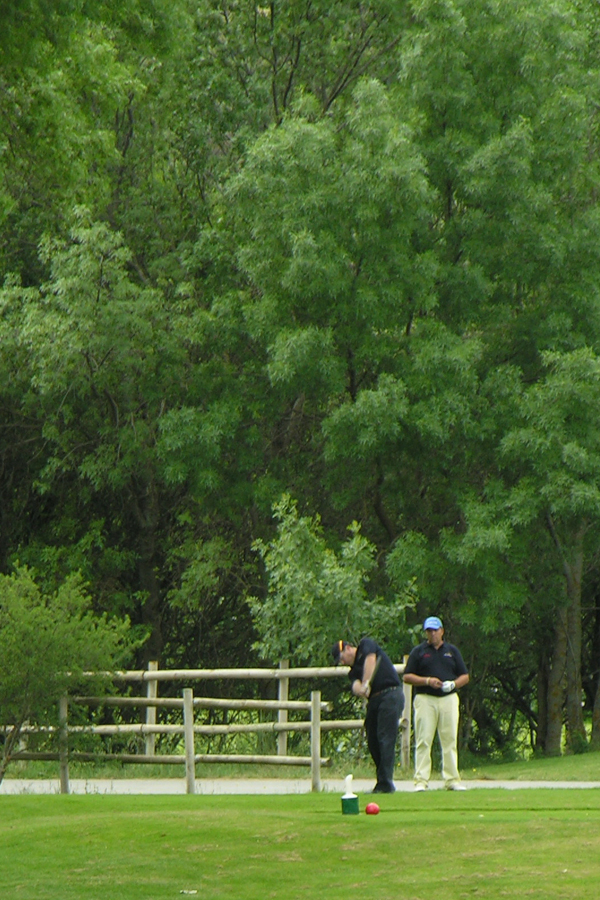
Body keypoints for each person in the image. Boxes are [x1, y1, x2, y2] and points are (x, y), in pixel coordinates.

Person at [403, 616, 469, 792]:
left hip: (448, 698)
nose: (432, 634)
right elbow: (407, 676)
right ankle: (421, 781)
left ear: (442, 631)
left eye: (435, 630)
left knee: (449, 740)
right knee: (424, 740)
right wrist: (427, 681)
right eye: (429, 631)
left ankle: (452, 779)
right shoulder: (419, 652)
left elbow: (464, 676)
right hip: (425, 698)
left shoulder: (452, 651)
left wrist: (453, 684)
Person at [331, 636, 404, 793]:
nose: (342, 662)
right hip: (375, 700)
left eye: (342, 658)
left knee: (385, 738)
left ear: (348, 648)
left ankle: (385, 783)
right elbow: (355, 685)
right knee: (372, 740)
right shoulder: (353, 672)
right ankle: (382, 780)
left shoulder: (366, 645)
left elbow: (371, 660)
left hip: (390, 694)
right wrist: (361, 689)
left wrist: (366, 682)